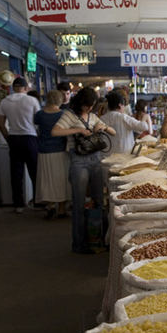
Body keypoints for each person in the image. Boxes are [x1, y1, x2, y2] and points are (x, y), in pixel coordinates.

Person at [52, 87, 115, 254]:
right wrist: (78, 130)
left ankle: (99, 239)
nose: (89, 108)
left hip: (95, 160)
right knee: (79, 204)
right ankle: (79, 243)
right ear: (81, 102)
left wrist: (103, 127)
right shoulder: (69, 115)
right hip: (78, 161)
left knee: (99, 201)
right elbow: (55, 131)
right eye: (87, 105)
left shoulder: (94, 116)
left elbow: (113, 132)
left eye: (91, 105)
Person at [0, 77, 40, 213]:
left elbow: (1, 124)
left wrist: (8, 138)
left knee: (16, 173)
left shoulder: (5, 102)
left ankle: (18, 204)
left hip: (14, 138)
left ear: (12, 88)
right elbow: (38, 120)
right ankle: (38, 201)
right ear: (26, 88)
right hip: (30, 138)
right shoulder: (32, 100)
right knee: (35, 172)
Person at [34, 90, 70, 219]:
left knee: (47, 181)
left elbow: (37, 128)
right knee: (61, 180)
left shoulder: (39, 115)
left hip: (44, 151)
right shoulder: (63, 114)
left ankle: (49, 206)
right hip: (60, 151)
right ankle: (61, 209)